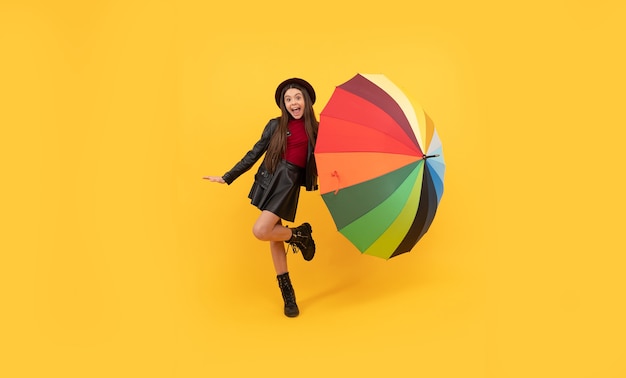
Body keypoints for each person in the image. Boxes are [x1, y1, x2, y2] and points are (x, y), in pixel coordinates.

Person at [203, 78, 319, 318]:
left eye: (297, 98)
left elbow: (326, 159)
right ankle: (288, 294)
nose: (293, 103)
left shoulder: (316, 129)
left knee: (261, 230)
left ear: (306, 101)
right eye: (288, 100)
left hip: (288, 183)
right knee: (272, 236)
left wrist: (335, 180)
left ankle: (299, 235)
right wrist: (228, 176)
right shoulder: (275, 125)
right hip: (269, 179)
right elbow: (254, 153)